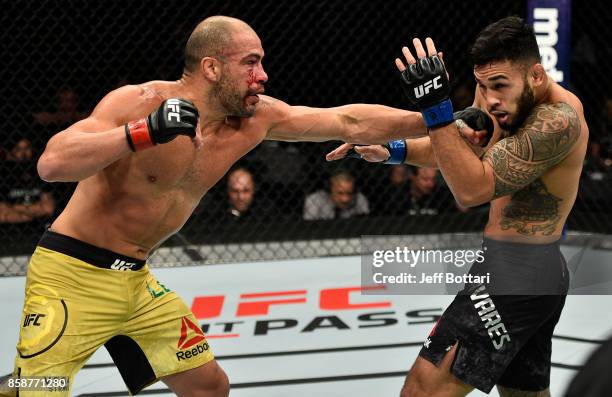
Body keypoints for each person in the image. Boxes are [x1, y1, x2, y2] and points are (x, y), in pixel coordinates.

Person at [9, 15, 474, 397]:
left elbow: (345, 119)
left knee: (210, 388)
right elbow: (52, 163)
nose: (263, 75)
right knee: (38, 392)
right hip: (70, 274)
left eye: (262, 63)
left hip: (134, 280)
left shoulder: (254, 119)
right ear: (211, 67)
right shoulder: (140, 102)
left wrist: (437, 119)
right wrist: (143, 132)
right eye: (251, 63)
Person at [330, 16, 587, 397]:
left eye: (499, 85)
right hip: (522, 271)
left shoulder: (559, 120)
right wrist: (393, 150)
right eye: (483, 85)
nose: (490, 98)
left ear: (535, 75)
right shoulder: (500, 97)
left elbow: (471, 188)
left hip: (518, 277)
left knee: (422, 390)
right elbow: (460, 150)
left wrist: (436, 107)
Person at [303, 169, 369, 220]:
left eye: (349, 193)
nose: (345, 199)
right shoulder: (315, 200)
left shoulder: (359, 199)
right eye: (340, 193)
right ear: (330, 190)